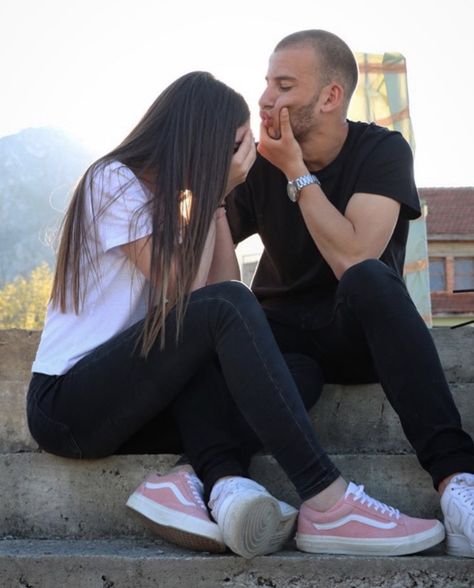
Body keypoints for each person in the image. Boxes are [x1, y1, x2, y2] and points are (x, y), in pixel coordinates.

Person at [27, 70, 444, 561]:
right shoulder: (113, 180)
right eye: (235, 145)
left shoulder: (166, 204)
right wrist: (209, 192)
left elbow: (218, 287)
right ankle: (328, 500)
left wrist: (219, 202)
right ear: (202, 137)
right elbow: (187, 291)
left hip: (133, 399)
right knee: (229, 311)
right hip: (68, 403)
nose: (242, 158)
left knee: (298, 371)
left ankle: (188, 479)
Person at [220, 29, 474, 559]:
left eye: (285, 85)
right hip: (285, 337)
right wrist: (220, 193)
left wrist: (295, 171)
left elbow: (353, 257)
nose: (266, 98)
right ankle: (214, 479)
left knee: (368, 277)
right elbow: (210, 263)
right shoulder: (257, 163)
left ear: (331, 96)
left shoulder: (381, 150)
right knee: (263, 347)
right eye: (267, 82)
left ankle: (457, 483)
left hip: (356, 330)